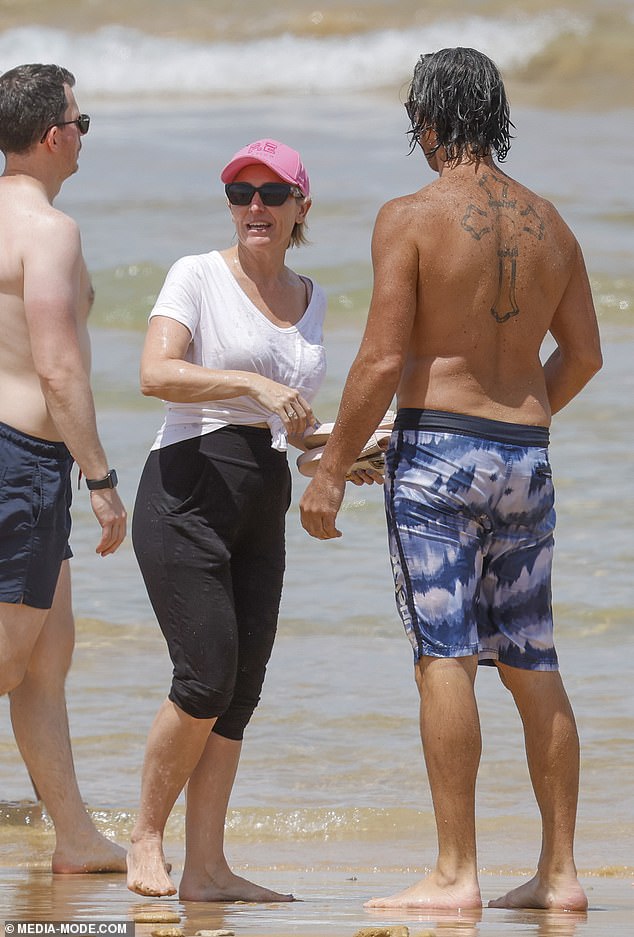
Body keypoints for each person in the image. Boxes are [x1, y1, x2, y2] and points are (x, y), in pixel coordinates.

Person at [300, 47, 602, 912]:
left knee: (446, 658)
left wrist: (328, 468)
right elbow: (585, 354)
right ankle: (560, 876)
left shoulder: (412, 215)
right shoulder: (556, 226)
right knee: (533, 656)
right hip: (527, 457)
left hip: (438, 458)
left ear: (429, 123)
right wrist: (517, 413)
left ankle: (455, 873)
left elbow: (383, 356)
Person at [127, 139, 377, 900]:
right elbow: (154, 372)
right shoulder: (197, 275)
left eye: (272, 193)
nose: (255, 207)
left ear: (302, 206)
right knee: (203, 676)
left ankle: (207, 868)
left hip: (261, 501)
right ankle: (145, 839)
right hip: (184, 492)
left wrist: (338, 455)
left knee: (239, 691)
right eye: (241, 192)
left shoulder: (313, 297)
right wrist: (250, 383)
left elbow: (291, 428)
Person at [0, 64, 127, 872]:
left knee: (47, 659)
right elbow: (57, 367)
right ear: (55, 135)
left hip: (19, 460)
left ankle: (76, 838)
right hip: (23, 462)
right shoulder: (50, 231)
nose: (84, 134)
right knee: (9, 657)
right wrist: (103, 481)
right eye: (82, 122)